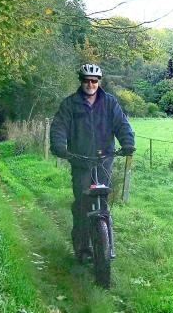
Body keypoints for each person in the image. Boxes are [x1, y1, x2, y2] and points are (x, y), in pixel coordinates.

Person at [50, 63, 135, 261]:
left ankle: (107, 246)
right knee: (82, 203)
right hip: (80, 160)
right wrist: (60, 147)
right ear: (81, 81)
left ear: (99, 82)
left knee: (103, 201)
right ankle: (82, 248)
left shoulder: (110, 102)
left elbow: (122, 124)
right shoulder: (70, 104)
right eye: (87, 80)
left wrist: (128, 143)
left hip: (104, 158)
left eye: (94, 80)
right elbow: (59, 127)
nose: (90, 84)